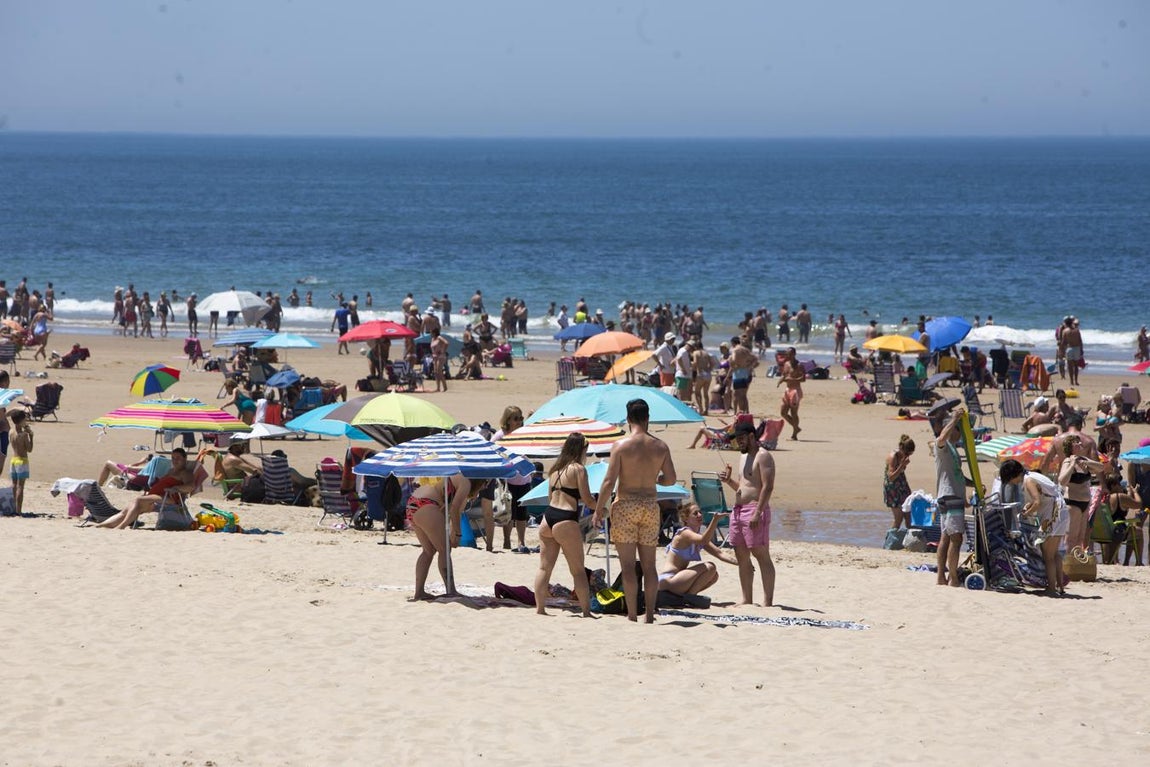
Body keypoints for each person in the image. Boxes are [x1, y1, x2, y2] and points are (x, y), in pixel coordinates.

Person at [593, 399, 677, 623]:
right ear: (648, 418)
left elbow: (609, 481)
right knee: (649, 566)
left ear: (628, 419)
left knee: (628, 566)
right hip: (649, 505)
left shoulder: (621, 446)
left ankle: (631, 614)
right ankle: (649, 615)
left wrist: (599, 509)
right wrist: (656, 479)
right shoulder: (661, 446)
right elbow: (671, 479)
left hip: (626, 505)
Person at [534, 433, 598, 617]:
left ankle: (540, 609)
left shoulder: (555, 470)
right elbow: (587, 499)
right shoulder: (578, 469)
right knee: (578, 571)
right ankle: (586, 612)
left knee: (544, 568)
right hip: (566, 518)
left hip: (548, 517)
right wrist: (601, 508)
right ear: (581, 449)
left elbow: (549, 498)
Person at [718, 420, 777, 606]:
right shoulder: (743, 457)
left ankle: (768, 602)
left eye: (742, 438)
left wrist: (758, 512)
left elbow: (767, 487)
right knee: (741, 555)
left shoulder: (763, 456)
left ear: (752, 436)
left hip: (754, 509)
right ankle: (746, 600)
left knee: (760, 553)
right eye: (737, 439)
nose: (739, 442)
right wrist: (729, 481)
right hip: (738, 510)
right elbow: (743, 487)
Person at [999, 459, 1068, 596]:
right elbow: (1043, 497)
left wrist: (1025, 514)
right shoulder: (1032, 475)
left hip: (1053, 514)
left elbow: (1037, 502)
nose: (1012, 483)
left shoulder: (1028, 480)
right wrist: (1029, 507)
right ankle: (1060, 586)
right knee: (1054, 554)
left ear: (1013, 475)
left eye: (1010, 479)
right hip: (1060, 511)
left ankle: (1051, 588)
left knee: (1048, 555)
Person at [408, 473, 474, 600]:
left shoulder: (455, 476)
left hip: (413, 503)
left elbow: (452, 512)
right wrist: (457, 534)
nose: (485, 486)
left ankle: (419, 592)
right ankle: (451, 590)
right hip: (426, 504)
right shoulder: (466, 482)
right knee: (444, 550)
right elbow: (454, 509)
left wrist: (453, 533)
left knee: (428, 551)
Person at [95, 448, 195, 529]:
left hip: (169, 499)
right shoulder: (171, 471)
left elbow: (191, 486)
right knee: (127, 510)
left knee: (138, 500)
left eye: (178, 458)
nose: (175, 460)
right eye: (173, 458)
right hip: (157, 497)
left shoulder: (185, 473)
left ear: (185, 459)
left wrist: (176, 488)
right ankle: (102, 525)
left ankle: (121, 526)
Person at [658, 503, 737, 596]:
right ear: (686, 519)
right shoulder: (684, 533)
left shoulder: (697, 536)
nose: (699, 515)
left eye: (700, 512)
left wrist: (742, 563)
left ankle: (687, 597)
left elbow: (720, 553)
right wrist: (714, 520)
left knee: (713, 576)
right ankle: (690, 597)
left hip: (678, 580)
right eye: (695, 513)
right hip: (668, 580)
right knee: (710, 567)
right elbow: (704, 540)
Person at [932, 406, 972, 587]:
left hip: (949, 495)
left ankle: (941, 577)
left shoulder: (953, 450)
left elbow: (958, 475)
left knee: (946, 537)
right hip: (950, 495)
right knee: (956, 538)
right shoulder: (943, 445)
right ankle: (953, 578)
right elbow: (941, 438)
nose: (960, 433)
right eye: (958, 430)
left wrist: (974, 484)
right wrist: (955, 418)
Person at [492, 406, 533, 552]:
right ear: (507, 420)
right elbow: (491, 450)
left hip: (523, 478)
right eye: (516, 419)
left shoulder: (522, 433)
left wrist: (531, 418)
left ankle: (521, 541)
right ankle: (507, 540)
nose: (519, 421)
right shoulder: (500, 435)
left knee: (522, 514)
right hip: (507, 480)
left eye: (520, 418)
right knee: (508, 513)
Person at [1058, 435, 1103, 553]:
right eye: (1076, 442)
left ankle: (1076, 561)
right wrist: (1072, 464)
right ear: (1070, 447)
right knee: (1071, 537)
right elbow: (1062, 480)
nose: (1079, 443)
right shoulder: (1068, 461)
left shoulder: (1084, 460)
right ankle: (1067, 560)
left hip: (1085, 502)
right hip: (1073, 502)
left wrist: (1087, 463)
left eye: (1079, 442)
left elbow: (1101, 468)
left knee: (1081, 538)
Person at [884, 435, 915, 529]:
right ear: (901, 448)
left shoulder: (903, 455)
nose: (907, 456)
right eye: (906, 453)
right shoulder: (893, 456)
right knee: (898, 518)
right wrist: (902, 465)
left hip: (902, 484)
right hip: (892, 488)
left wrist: (903, 464)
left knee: (909, 517)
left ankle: (910, 537)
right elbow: (891, 477)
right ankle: (891, 538)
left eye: (910, 454)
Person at [777, 346, 805, 440]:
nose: (788, 355)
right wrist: (780, 381)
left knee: (794, 413)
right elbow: (784, 375)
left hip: (795, 390)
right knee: (783, 412)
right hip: (787, 389)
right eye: (787, 354)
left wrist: (793, 379)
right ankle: (796, 428)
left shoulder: (799, 365)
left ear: (794, 354)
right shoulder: (786, 363)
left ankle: (794, 434)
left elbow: (803, 378)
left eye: (789, 354)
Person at [8, 410, 32, 516]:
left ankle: (13, 508)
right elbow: (29, 449)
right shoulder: (23, 435)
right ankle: (18, 510)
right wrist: (31, 436)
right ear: (21, 420)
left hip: (13, 460)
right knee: (20, 486)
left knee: (14, 485)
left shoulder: (11, 432)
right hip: (22, 460)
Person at [729, 337, 758, 415]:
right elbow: (755, 358)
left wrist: (732, 364)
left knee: (737, 394)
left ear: (733, 343)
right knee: (743, 394)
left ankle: (740, 412)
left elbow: (734, 360)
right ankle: (744, 412)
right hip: (745, 372)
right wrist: (749, 366)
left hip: (738, 372)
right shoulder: (745, 350)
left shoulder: (735, 350)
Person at [1059, 316, 1084, 387]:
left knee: (1070, 366)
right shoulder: (1077, 330)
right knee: (1076, 365)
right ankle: (1076, 381)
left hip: (1069, 348)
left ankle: (1071, 381)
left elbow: (1063, 342)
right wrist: (1081, 349)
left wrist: (1061, 351)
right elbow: (1080, 341)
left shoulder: (1065, 331)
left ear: (1066, 323)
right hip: (1077, 348)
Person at [691, 339, 714, 414]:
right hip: (708, 374)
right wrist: (709, 369)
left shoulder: (695, 352)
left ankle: (700, 409)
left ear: (695, 347)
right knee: (705, 393)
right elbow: (712, 363)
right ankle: (706, 410)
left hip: (700, 374)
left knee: (697, 392)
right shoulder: (706, 353)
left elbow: (695, 362)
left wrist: (691, 367)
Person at [429, 327, 449, 392]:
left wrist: (443, 350)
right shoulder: (432, 339)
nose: (430, 334)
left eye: (431, 332)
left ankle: (445, 387)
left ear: (434, 333)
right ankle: (438, 388)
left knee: (439, 371)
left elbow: (446, 343)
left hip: (441, 356)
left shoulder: (439, 337)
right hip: (435, 356)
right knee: (435, 372)